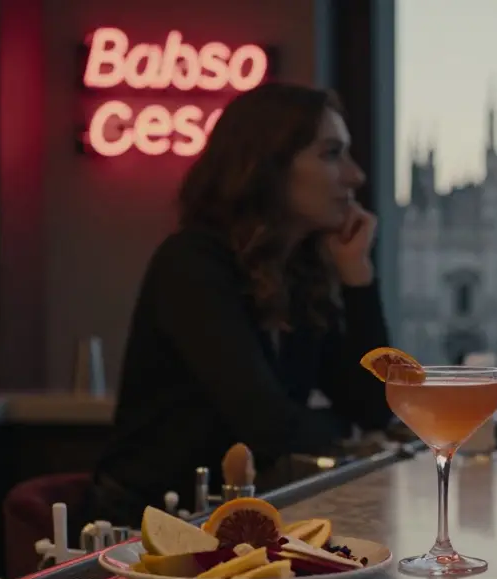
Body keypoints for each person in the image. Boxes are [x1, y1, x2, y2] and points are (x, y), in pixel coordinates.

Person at [90, 83, 393, 526]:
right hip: (144, 530)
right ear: (266, 165)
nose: (355, 176)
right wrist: (345, 431)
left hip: (228, 524)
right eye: (331, 154)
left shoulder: (296, 276)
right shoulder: (191, 263)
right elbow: (270, 431)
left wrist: (357, 275)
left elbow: (374, 407)